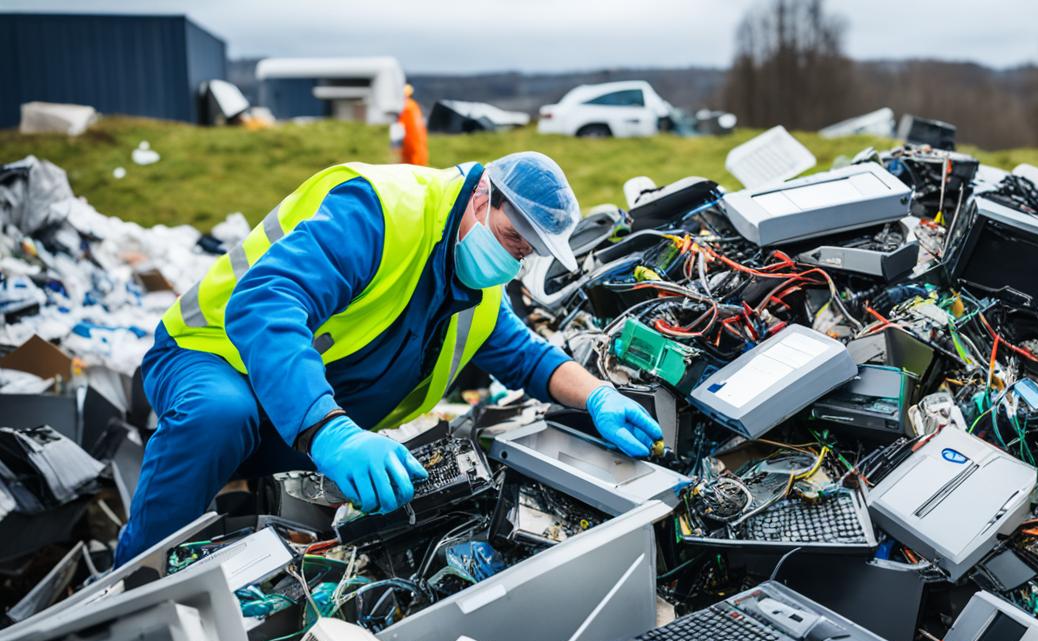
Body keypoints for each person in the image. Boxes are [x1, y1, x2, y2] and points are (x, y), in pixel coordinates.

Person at [114, 152, 661, 564]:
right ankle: (134, 583)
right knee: (220, 415)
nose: (513, 259)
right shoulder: (381, 210)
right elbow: (265, 302)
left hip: (292, 407)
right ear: (481, 196)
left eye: (527, 252)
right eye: (511, 237)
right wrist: (331, 431)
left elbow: (526, 357)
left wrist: (598, 395)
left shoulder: (475, 283)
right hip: (211, 354)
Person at [398, 84, 428, 166]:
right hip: (418, 136)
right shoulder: (414, 105)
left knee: (411, 159)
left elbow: (400, 122)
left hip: (411, 136)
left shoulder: (407, 106)